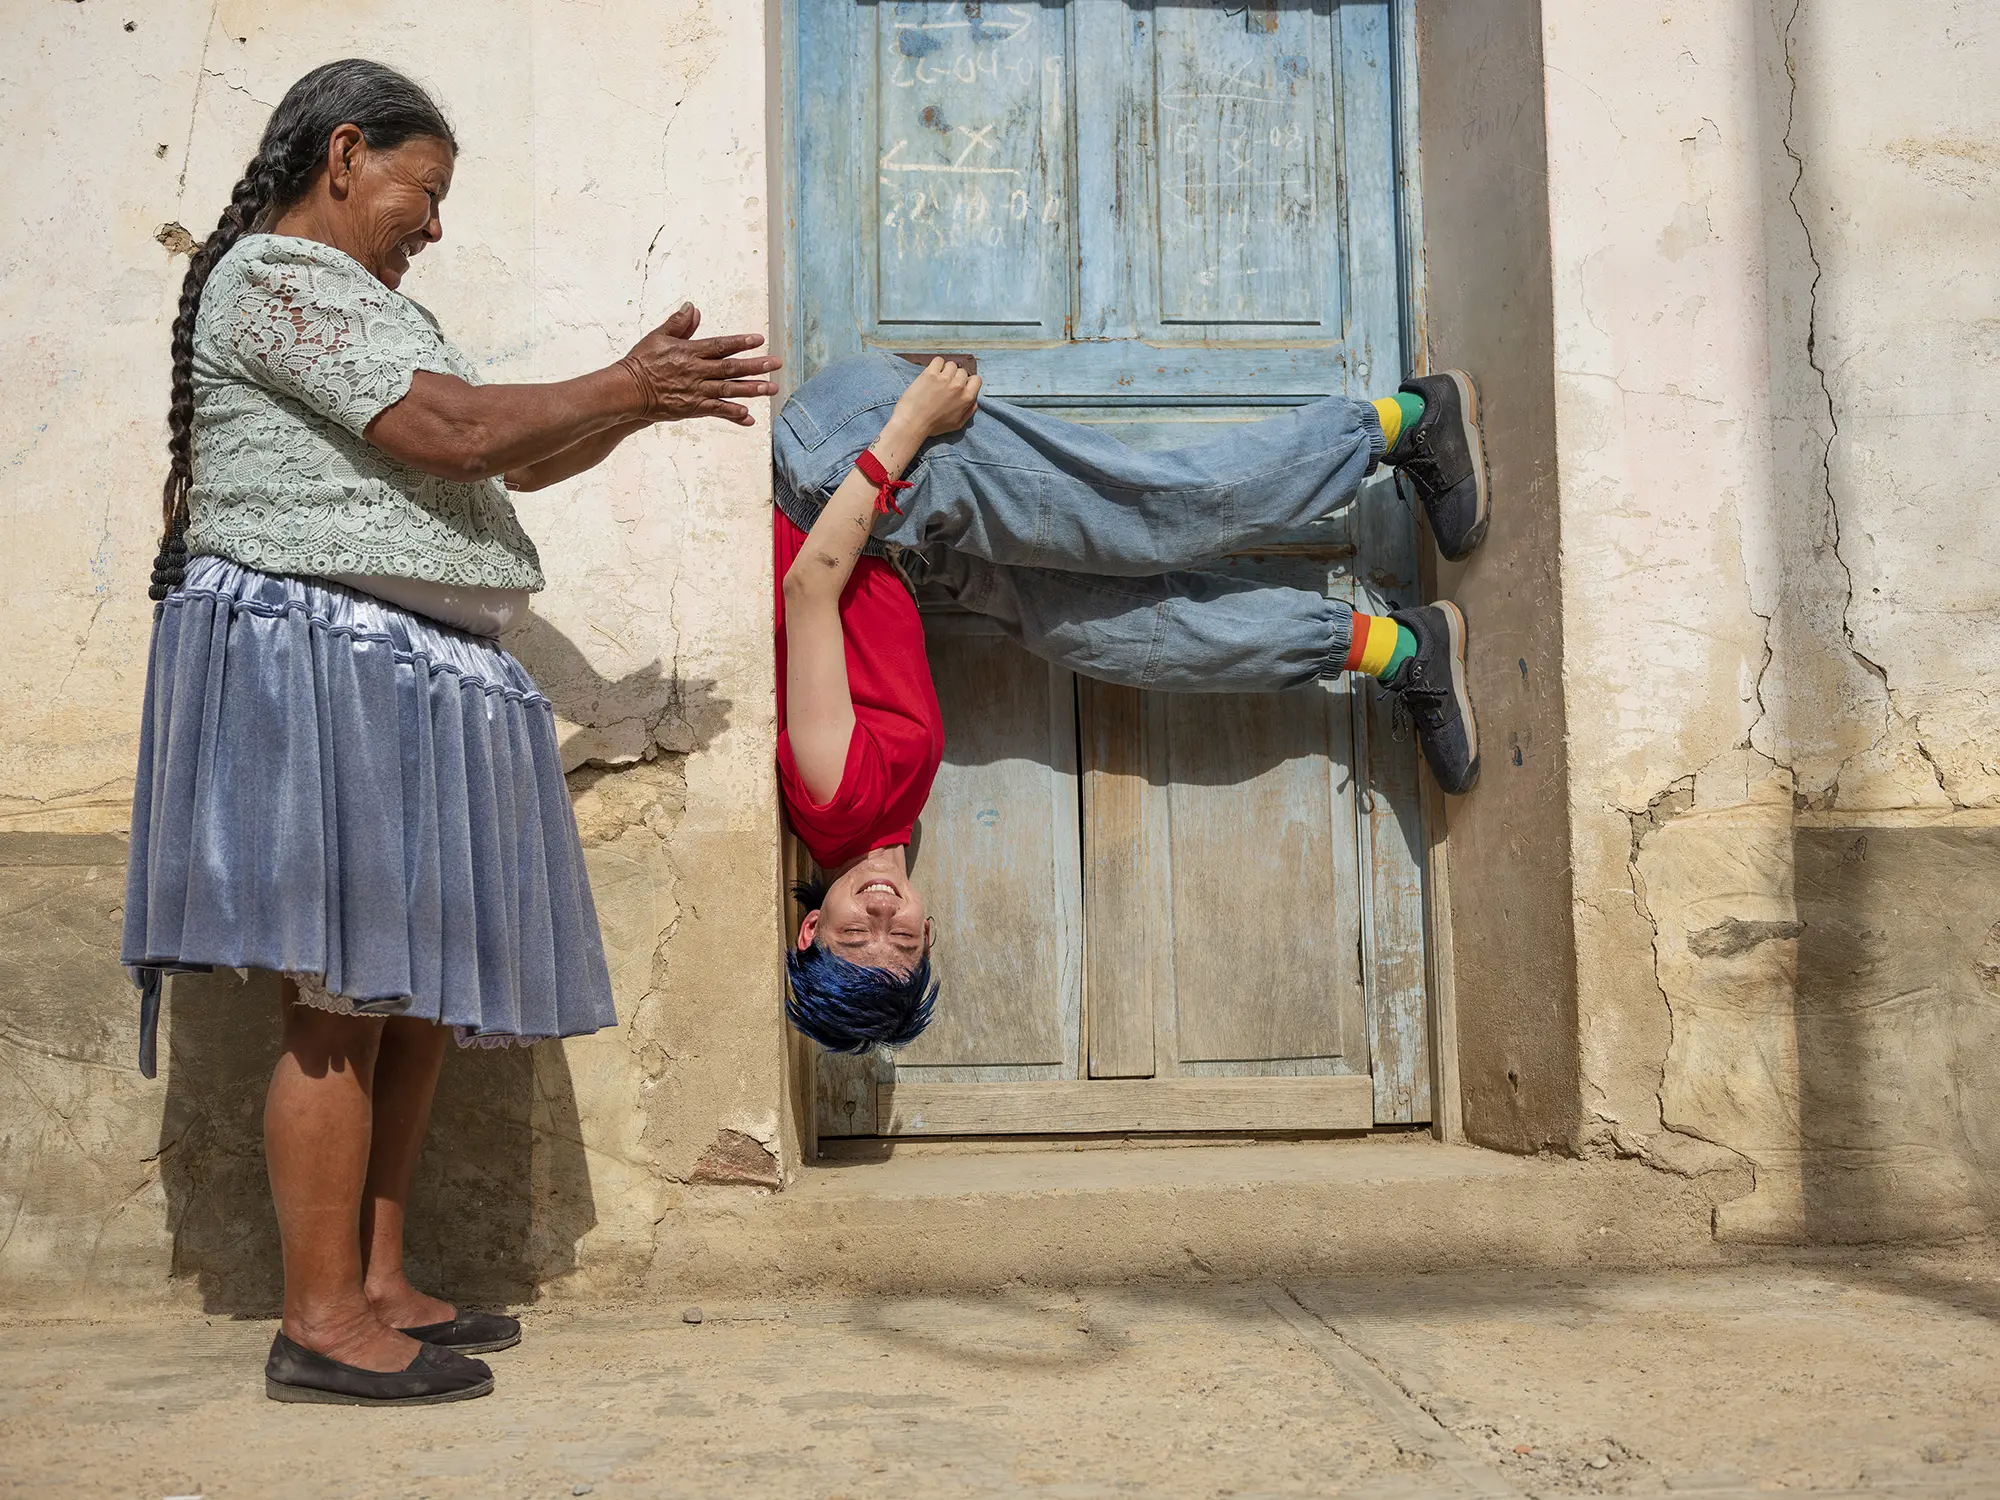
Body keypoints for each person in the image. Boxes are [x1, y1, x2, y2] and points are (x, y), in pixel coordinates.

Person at [122, 59, 780, 1405]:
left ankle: (377, 1281)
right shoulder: (269, 278)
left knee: (405, 1003)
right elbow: (455, 430)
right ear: (346, 153)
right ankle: (316, 1321)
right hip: (323, 653)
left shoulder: (366, 307)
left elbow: (515, 453)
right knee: (339, 1003)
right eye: (424, 192)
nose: (433, 225)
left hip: (406, 665)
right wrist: (614, 378)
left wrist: (627, 400)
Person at [773, 353, 1486, 1054]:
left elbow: (808, 590)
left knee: (1149, 515)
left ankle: (1406, 424)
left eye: (852, 934)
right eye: (899, 938)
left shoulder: (842, 800)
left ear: (810, 929)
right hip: (893, 539)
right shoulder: (886, 834)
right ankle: (1396, 648)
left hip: (842, 477)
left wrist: (907, 420)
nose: (881, 912)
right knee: (1117, 633)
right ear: (927, 932)